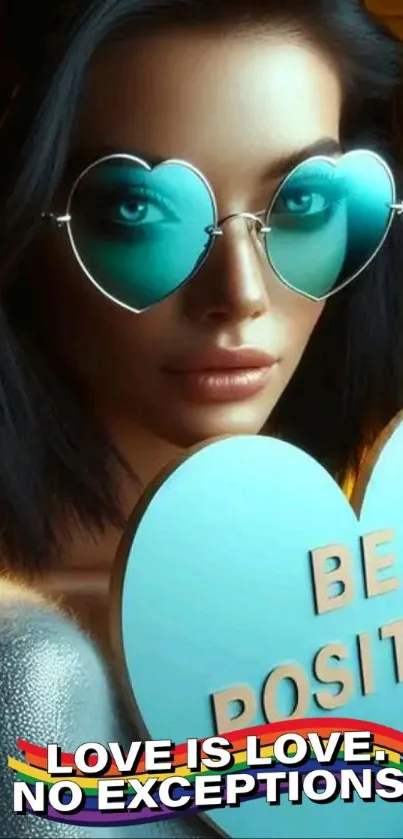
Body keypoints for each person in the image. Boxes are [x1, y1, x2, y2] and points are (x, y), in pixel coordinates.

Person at [0, 0, 403, 836]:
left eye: (303, 204)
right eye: (138, 210)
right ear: (22, 222)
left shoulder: (362, 593)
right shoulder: (30, 671)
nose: (241, 297)